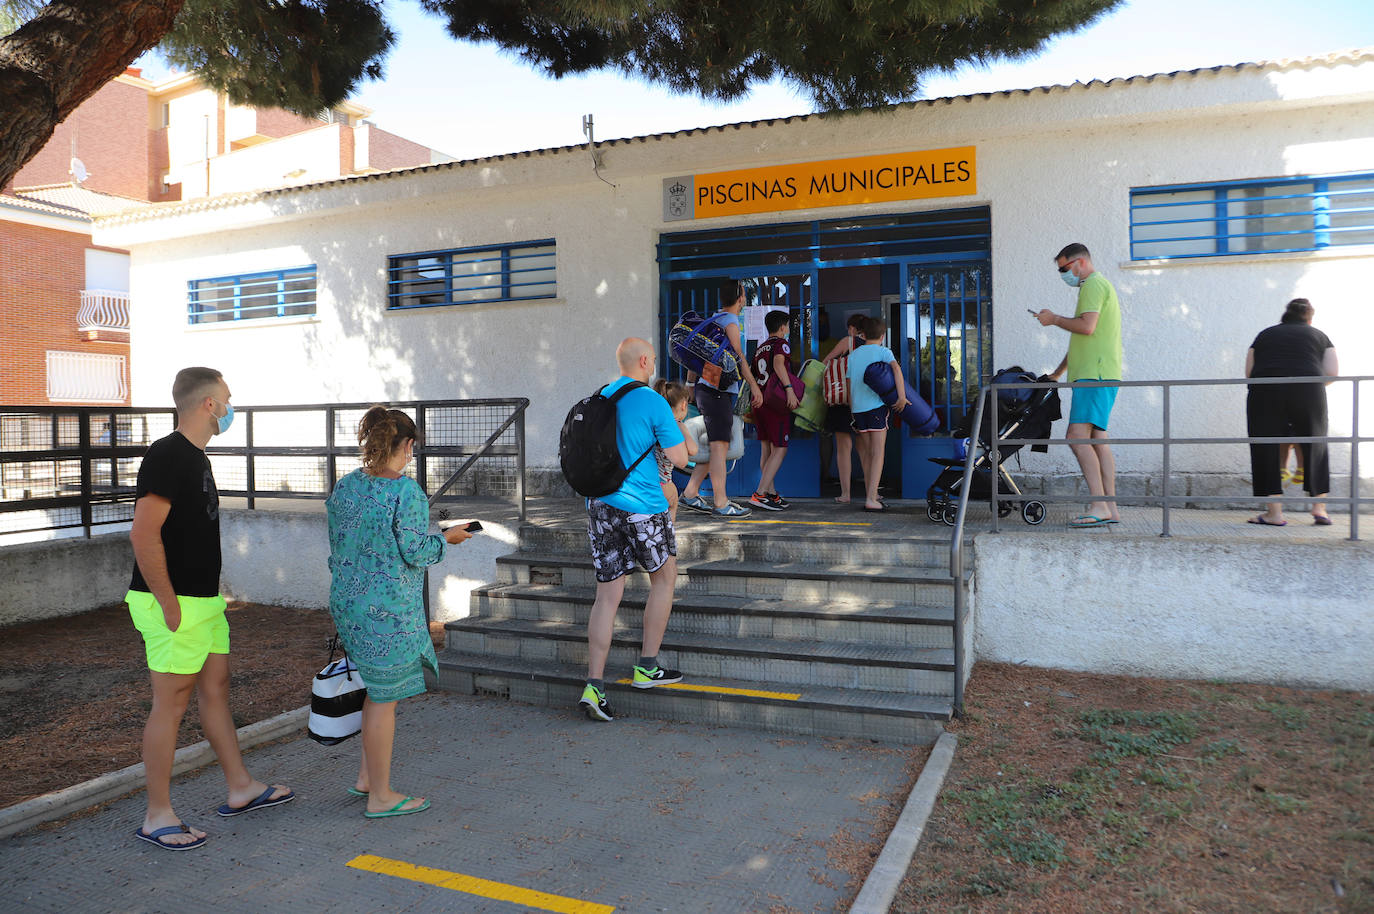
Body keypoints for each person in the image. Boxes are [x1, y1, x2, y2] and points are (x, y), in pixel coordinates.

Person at [127, 367, 293, 851]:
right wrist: (168, 604)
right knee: (171, 703)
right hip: (173, 605)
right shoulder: (167, 455)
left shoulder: (197, 458)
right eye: (227, 398)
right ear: (208, 405)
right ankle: (157, 815)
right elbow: (143, 532)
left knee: (215, 690)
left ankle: (241, 787)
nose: (230, 405)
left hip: (204, 604)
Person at [326, 406, 473, 818]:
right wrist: (449, 540)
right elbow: (415, 550)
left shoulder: (346, 486)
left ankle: (366, 779)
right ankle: (382, 797)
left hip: (349, 603)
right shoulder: (406, 493)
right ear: (408, 445)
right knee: (383, 698)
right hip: (386, 611)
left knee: (377, 690)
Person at [580, 338, 690, 722]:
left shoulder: (599, 396)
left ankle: (594, 685)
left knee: (607, 597)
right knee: (664, 579)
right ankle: (647, 666)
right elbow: (680, 457)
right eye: (654, 360)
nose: (654, 365)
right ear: (644, 361)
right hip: (643, 506)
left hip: (600, 505)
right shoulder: (653, 401)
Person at [1037, 242, 1124, 528]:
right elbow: (1084, 338)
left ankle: (1099, 504)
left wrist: (1054, 320)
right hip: (1098, 374)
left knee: (1076, 436)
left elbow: (1085, 326)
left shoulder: (1092, 286)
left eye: (1064, 268)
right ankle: (1109, 506)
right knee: (1098, 440)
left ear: (1079, 263)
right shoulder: (1096, 287)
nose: (1063, 274)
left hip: (1094, 376)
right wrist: (1058, 372)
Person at [1244, 298, 1339, 526]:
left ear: (1285, 315)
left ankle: (1274, 514)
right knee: (1315, 445)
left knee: (1266, 446)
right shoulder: (1319, 336)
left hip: (1265, 392)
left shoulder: (1264, 335)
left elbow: (1249, 373)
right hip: (1308, 391)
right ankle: (1319, 509)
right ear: (1309, 318)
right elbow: (1332, 372)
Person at [679, 279, 765, 518]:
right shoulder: (730, 322)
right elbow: (739, 359)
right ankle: (720, 502)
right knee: (719, 448)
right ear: (741, 299)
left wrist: (690, 384)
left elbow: (696, 357)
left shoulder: (712, 320)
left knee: (715, 447)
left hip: (707, 390)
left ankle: (690, 493)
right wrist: (754, 386)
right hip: (718, 393)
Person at [846, 316, 907, 512]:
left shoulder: (854, 355)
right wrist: (902, 397)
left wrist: (852, 407)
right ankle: (872, 498)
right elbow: (896, 370)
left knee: (866, 452)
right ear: (883, 335)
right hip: (876, 407)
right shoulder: (883, 351)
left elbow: (849, 384)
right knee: (878, 453)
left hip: (858, 409)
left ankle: (870, 493)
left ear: (862, 335)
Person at [748, 309, 798, 511]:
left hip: (760, 402)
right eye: (787, 325)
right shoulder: (781, 344)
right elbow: (779, 365)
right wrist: (790, 390)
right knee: (780, 448)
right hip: (774, 402)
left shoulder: (761, 347)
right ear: (782, 327)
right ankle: (760, 493)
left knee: (766, 449)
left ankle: (770, 493)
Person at [822, 313, 867, 504]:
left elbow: (825, 362)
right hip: (864, 401)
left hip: (842, 399)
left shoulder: (848, 341)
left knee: (843, 448)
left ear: (852, 328)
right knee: (865, 448)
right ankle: (872, 491)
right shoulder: (873, 346)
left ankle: (846, 493)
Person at [651, 379, 698, 524]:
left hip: (646, 480)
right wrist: (685, 431)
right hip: (663, 482)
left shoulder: (654, 422)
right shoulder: (676, 425)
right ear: (684, 405)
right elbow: (693, 450)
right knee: (673, 502)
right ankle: (669, 534)